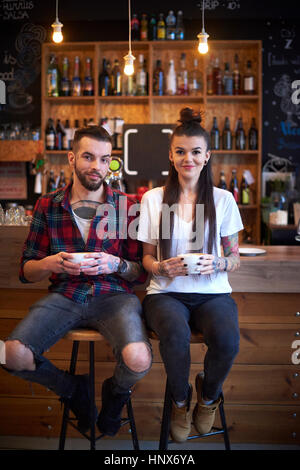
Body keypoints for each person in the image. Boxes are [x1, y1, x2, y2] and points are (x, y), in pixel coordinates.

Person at [3, 125, 152, 437]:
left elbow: (141, 271)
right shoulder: (47, 204)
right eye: (88, 157)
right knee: (10, 354)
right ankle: (73, 389)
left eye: (104, 159)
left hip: (115, 296)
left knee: (138, 359)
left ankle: (116, 395)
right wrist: (51, 262)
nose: (96, 166)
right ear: (71, 158)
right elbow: (26, 271)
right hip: (65, 295)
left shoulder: (127, 205)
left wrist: (117, 263)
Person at [137, 108, 243, 443]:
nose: (188, 158)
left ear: (207, 155)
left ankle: (208, 398)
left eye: (196, 152)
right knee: (175, 335)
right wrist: (160, 267)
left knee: (228, 341)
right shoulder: (154, 199)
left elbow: (235, 257)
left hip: (213, 292)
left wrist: (220, 264)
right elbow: (146, 258)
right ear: (171, 155)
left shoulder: (224, 200)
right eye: (181, 151)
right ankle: (181, 401)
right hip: (165, 293)